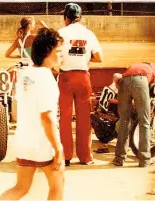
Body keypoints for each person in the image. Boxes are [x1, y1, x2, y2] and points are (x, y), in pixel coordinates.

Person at [0, 28, 65, 200]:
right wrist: (58, 148)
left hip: (24, 140)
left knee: (21, 188)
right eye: (58, 51)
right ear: (47, 52)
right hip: (42, 142)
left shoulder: (26, 75)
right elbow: (47, 117)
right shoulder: (46, 79)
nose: (61, 55)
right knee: (57, 187)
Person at [57, 3, 103, 166]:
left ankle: (66, 156)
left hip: (66, 77)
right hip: (83, 77)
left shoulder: (60, 33)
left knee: (65, 118)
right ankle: (85, 157)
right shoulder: (89, 34)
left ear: (66, 18)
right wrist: (84, 59)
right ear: (80, 17)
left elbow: (54, 57)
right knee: (84, 118)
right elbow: (99, 57)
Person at [112, 62, 155, 167]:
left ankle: (119, 159)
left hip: (123, 81)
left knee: (124, 121)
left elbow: (118, 82)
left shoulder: (133, 66)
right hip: (141, 82)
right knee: (144, 122)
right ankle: (145, 160)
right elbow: (153, 89)